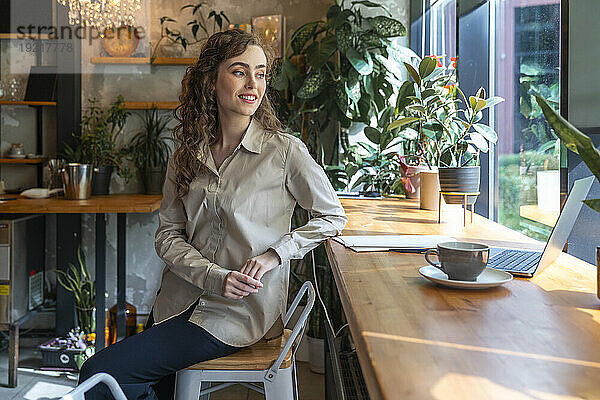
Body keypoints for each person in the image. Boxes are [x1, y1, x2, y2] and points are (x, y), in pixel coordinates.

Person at [78, 29, 348, 400]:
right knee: (140, 384)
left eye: (261, 73)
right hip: (179, 299)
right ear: (210, 80)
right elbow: (168, 235)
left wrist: (276, 254)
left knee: (98, 371)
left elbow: (332, 216)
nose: (253, 83)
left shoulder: (285, 153)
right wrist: (212, 276)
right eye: (239, 71)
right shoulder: (186, 154)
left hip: (237, 315)